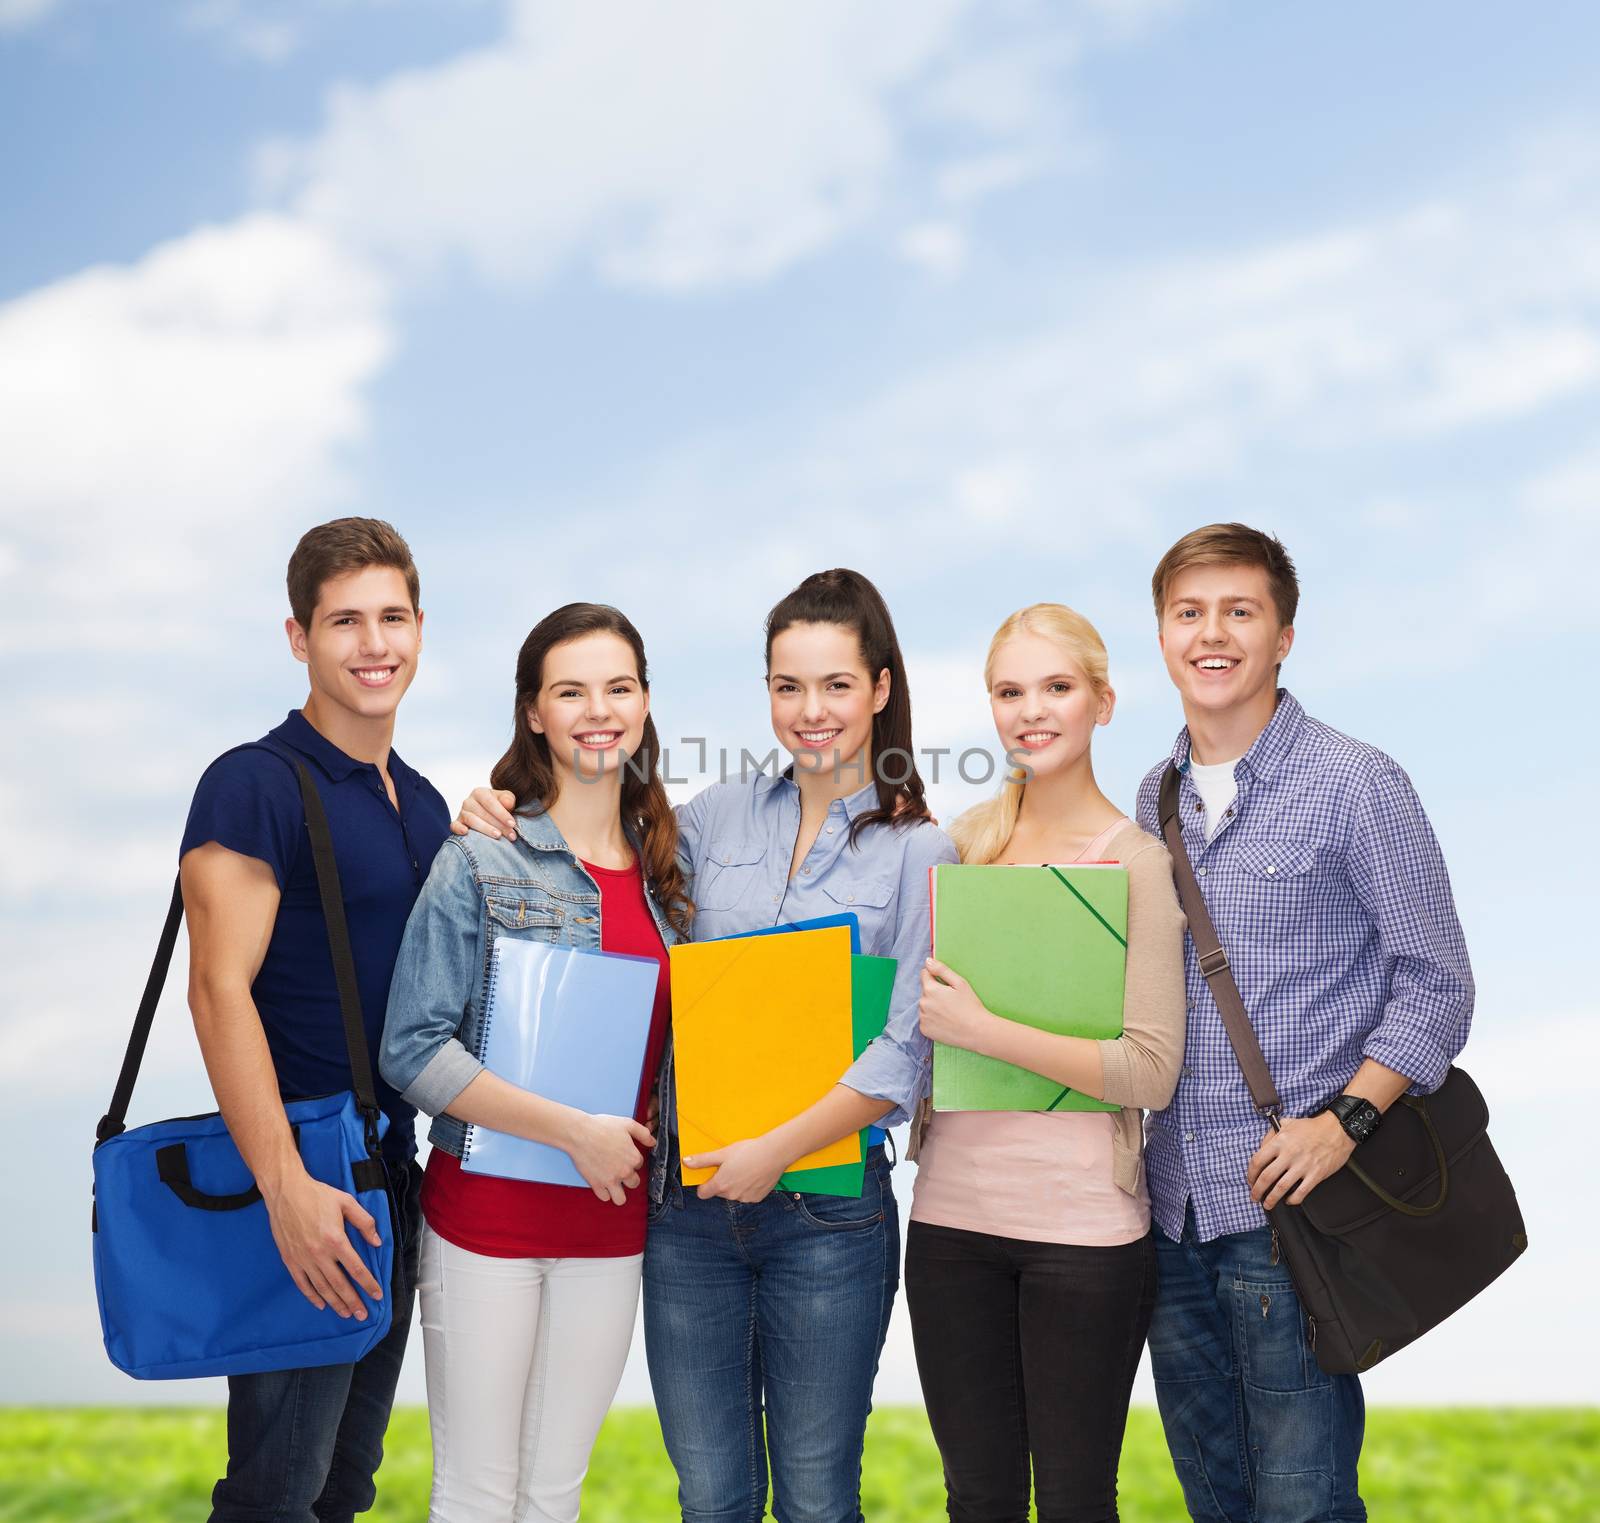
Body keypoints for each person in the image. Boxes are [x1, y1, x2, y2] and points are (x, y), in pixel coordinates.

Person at [457, 568, 958, 1523]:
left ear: (882, 688)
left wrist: (777, 1150)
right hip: (688, 1215)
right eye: (787, 686)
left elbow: (906, 1049)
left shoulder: (920, 853)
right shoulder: (707, 818)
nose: (811, 712)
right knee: (712, 1497)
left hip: (828, 1216)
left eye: (837, 685)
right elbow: (594, 864)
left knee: (816, 1498)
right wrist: (495, 812)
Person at [1134, 524, 1474, 1523]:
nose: (1213, 634)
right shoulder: (1148, 802)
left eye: (1239, 611)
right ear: (1160, 634)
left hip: (1293, 1217)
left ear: (1282, 634)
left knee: (1305, 1504)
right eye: (1189, 613)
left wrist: (1341, 1124)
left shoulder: (1355, 782)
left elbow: (1437, 988)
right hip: (1172, 1213)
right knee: (1216, 1503)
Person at [380, 603, 689, 1523]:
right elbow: (411, 1047)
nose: (598, 709)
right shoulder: (482, 856)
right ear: (534, 714)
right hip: (486, 1224)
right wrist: (573, 1133)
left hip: (613, 1228)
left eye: (618, 687)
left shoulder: (676, 878)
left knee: (553, 1496)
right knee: (477, 1494)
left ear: (643, 703)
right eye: (571, 690)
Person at [179, 517, 450, 1523]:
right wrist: (283, 1183)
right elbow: (217, 990)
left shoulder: (421, 804)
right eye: (344, 620)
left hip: (395, 1180)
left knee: (341, 1488)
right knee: (273, 1493)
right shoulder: (252, 783)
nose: (372, 643)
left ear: (421, 627)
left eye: (391, 617)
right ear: (299, 637)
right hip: (304, 1175)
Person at [907, 602, 1186, 1523]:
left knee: (1073, 1502)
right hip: (950, 1226)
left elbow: (1150, 1070)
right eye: (1010, 691)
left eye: (1057, 687)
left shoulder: (1138, 863)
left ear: (1103, 702)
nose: (1033, 710)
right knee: (977, 1498)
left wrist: (983, 1029)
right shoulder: (961, 846)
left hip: (1085, 1238)